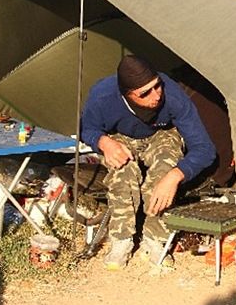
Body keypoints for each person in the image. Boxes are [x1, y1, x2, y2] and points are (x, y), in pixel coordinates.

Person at [79, 55, 215, 270]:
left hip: (162, 134)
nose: (156, 95)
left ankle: (154, 238)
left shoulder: (173, 95)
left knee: (164, 172)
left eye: (157, 86)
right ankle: (121, 239)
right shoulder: (102, 95)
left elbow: (205, 149)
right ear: (126, 94)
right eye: (145, 93)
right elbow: (86, 128)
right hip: (120, 136)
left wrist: (176, 175)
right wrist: (103, 142)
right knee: (122, 172)